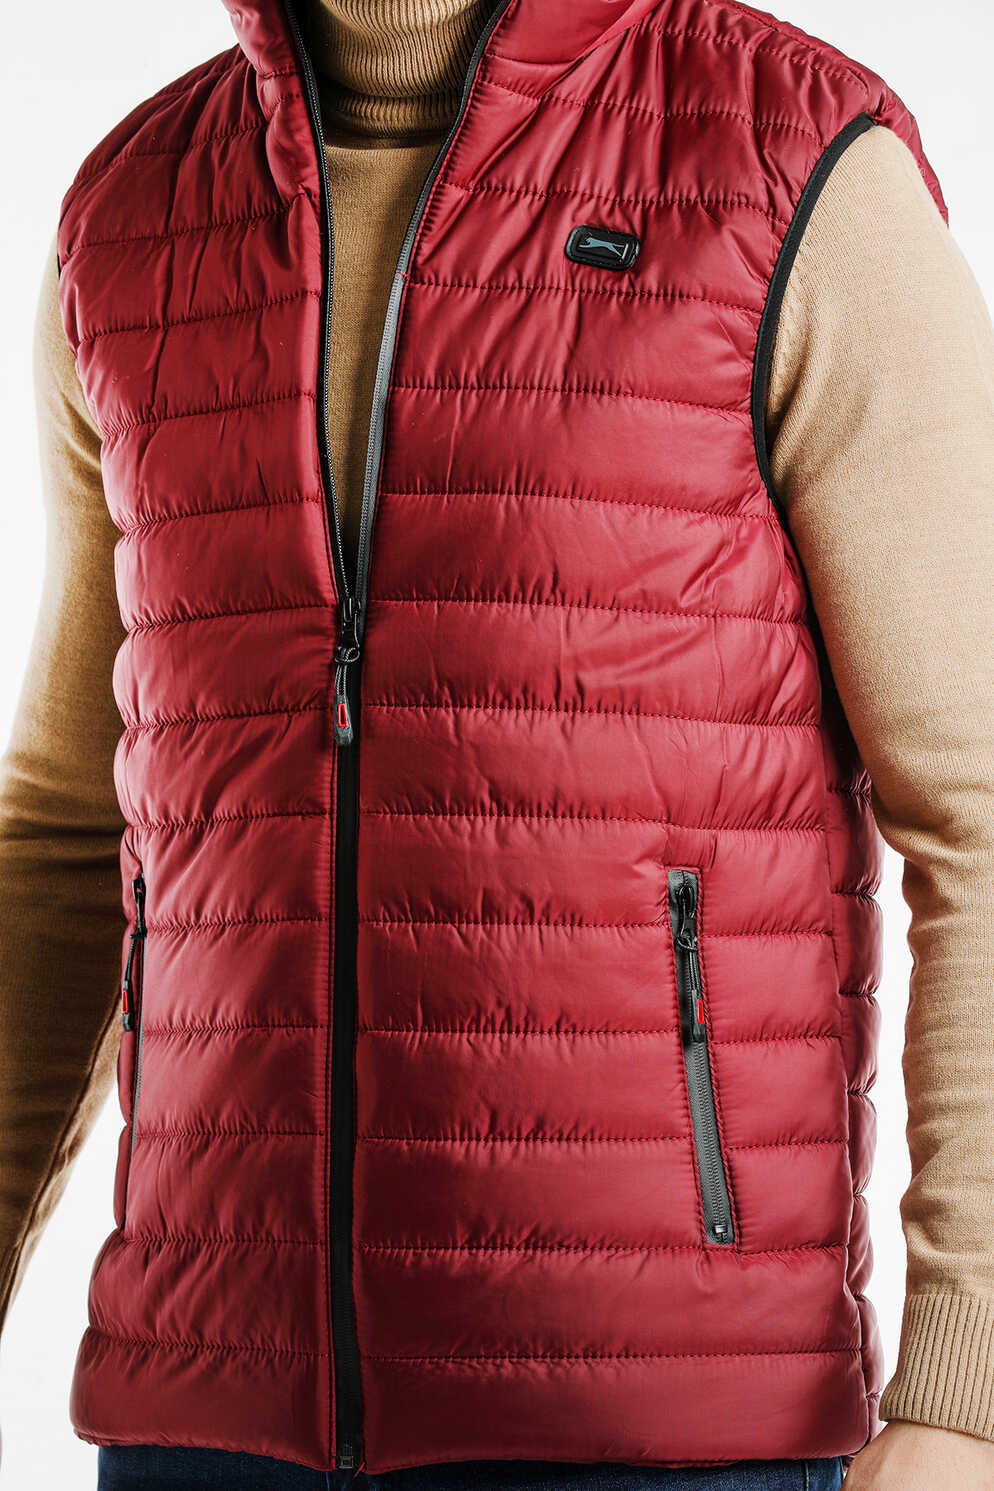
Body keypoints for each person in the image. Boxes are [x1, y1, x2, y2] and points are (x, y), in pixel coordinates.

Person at [1, 0, 993, 1486]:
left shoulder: (787, 163)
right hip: (207, 1416)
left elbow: (976, 801)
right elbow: (67, 832)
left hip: (661, 1427)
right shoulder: (133, 216)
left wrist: (966, 1387)